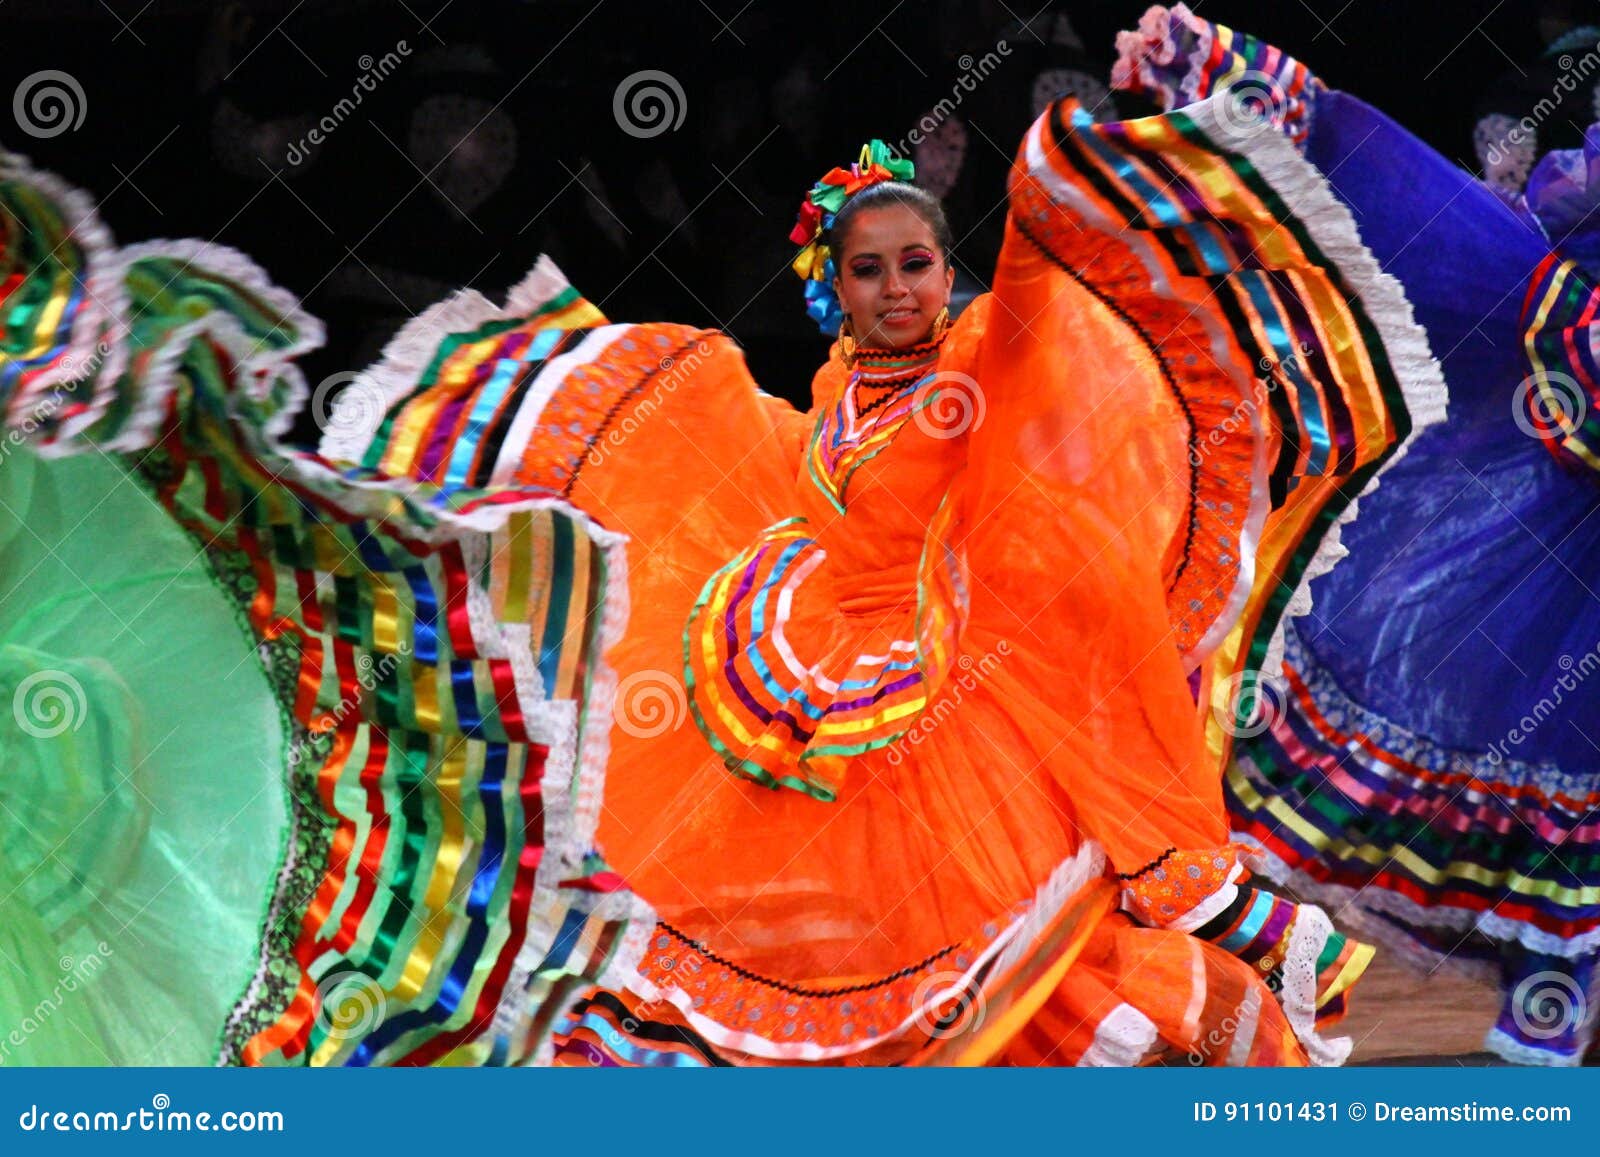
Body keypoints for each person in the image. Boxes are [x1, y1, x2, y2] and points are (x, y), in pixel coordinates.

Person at [0, 47, 1438, 1063]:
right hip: (798, 676)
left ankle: (1186, 955)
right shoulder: (822, 395)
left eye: (919, 263)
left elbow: (1056, 411)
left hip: (952, 702)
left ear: (952, 267)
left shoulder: (987, 363)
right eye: (868, 270)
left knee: (1018, 942)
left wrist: (1085, 182)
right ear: (834, 290)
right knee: (758, 912)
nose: (896, 290)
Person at [1116, 2, 1600, 1066]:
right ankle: (1539, 996)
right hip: (1551, 509)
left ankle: (1546, 999)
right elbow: (1437, 191)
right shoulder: (1541, 296)